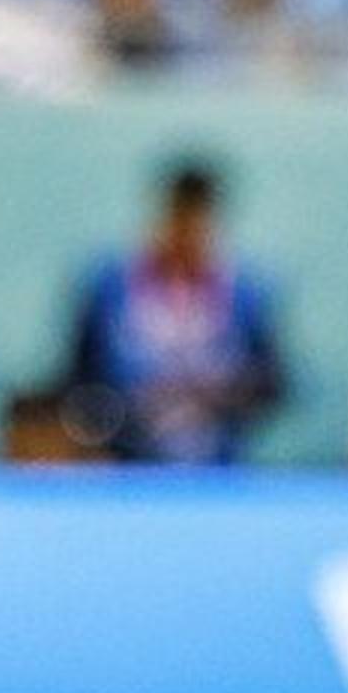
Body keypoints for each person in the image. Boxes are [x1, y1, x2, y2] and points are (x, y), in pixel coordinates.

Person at [61, 157, 288, 465]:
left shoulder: (244, 296)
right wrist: (123, 411)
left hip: (217, 466)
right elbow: (78, 379)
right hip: (127, 464)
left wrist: (213, 396)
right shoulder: (111, 289)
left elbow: (272, 384)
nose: (184, 235)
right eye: (177, 220)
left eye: (196, 223)